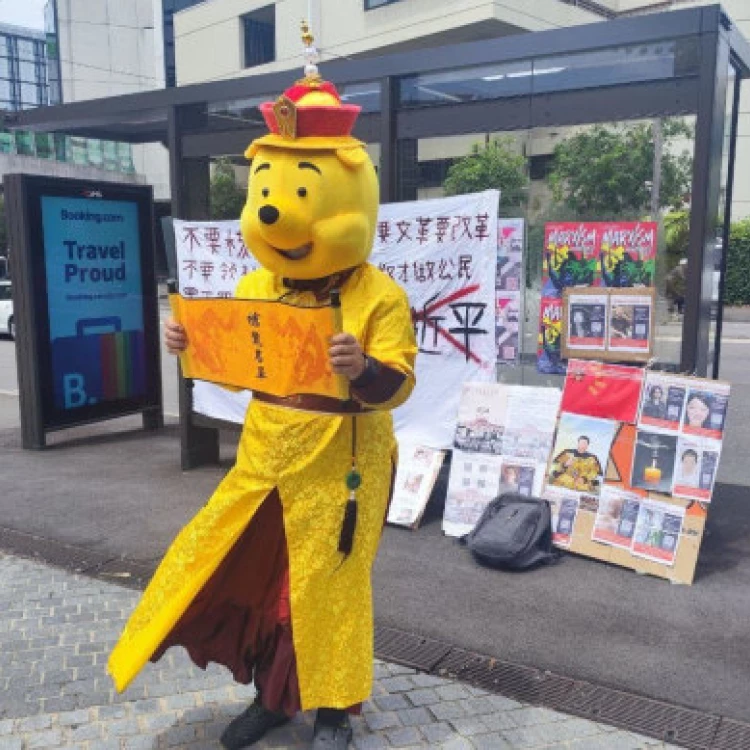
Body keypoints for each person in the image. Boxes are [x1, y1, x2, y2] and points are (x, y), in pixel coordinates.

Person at [107, 48, 417, 750]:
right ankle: (275, 696)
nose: (274, 210)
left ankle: (334, 708)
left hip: (343, 466)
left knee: (329, 586)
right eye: (267, 191)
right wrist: (193, 345)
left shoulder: (378, 295)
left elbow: (399, 381)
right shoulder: (254, 287)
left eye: (301, 192)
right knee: (256, 575)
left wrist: (363, 367)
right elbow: (241, 368)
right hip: (265, 459)